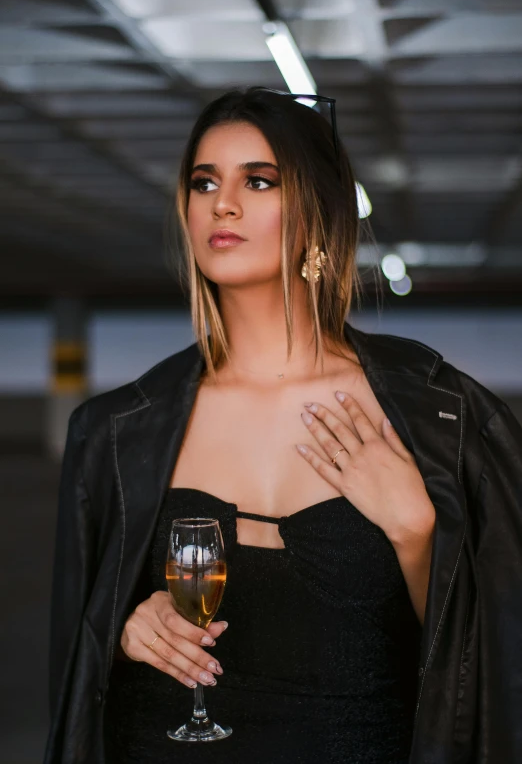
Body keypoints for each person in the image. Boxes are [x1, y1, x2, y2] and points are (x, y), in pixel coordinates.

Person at [44, 87, 522, 764]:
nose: (222, 203)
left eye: (259, 181)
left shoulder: (445, 416)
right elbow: (78, 675)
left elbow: (493, 668)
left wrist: (417, 532)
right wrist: (126, 630)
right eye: (203, 182)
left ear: (319, 213)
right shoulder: (115, 431)